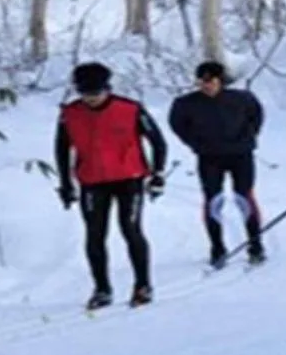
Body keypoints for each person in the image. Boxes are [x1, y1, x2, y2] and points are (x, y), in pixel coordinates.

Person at [54, 62, 167, 310]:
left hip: (129, 179)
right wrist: (65, 183)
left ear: (107, 88)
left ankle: (143, 285)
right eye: (85, 94)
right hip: (92, 181)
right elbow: (62, 149)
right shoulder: (70, 114)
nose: (91, 99)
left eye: (96, 93)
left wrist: (157, 174)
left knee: (131, 229)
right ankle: (102, 289)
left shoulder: (130, 109)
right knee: (95, 235)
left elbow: (158, 142)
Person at [168, 61, 266, 267]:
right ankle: (217, 247)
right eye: (202, 81)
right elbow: (177, 124)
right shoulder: (186, 103)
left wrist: (248, 137)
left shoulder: (242, 98)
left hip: (241, 155)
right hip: (209, 157)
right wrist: (195, 142)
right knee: (213, 200)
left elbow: (256, 116)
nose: (206, 85)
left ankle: (255, 245)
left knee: (244, 197)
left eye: (211, 81)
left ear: (220, 81)